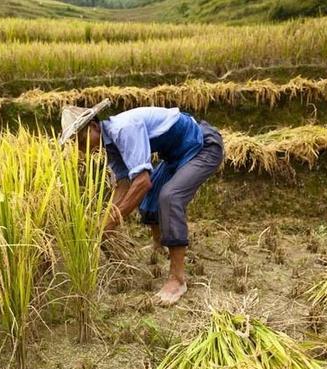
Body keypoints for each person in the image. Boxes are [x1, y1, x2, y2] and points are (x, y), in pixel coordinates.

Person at [59, 99, 224, 306]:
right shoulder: (111, 146)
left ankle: (177, 280)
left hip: (203, 146)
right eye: (76, 146)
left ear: (93, 127)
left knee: (170, 197)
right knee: (151, 193)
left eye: (81, 142)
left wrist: (109, 223)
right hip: (176, 156)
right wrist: (104, 221)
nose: (81, 150)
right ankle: (159, 245)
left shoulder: (123, 129)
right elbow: (124, 184)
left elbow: (141, 182)